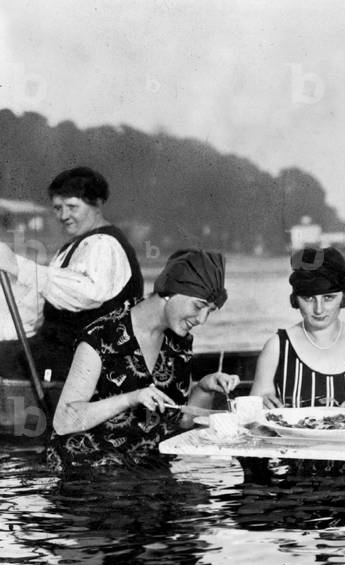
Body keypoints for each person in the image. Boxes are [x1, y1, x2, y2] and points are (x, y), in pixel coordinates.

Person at [49, 249, 238, 473]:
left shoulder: (179, 342)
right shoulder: (100, 336)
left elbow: (182, 422)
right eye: (198, 306)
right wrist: (132, 398)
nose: (202, 319)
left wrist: (205, 388)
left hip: (146, 471)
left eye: (210, 311)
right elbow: (64, 421)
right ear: (170, 292)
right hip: (88, 471)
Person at [0, 167, 144, 379]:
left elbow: (85, 295)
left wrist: (18, 266)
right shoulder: (73, 247)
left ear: (97, 204)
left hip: (90, 359)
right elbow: (45, 300)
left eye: (72, 207)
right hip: (58, 349)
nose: (63, 215)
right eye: (58, 208)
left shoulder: (106, 244)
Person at [249, 247, 345, 410]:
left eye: (328, 297)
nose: (319, 309)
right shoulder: (277, 346)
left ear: (343, 297)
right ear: (295, 300)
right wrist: (260, 405)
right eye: (308, 298)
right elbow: (252, 414)